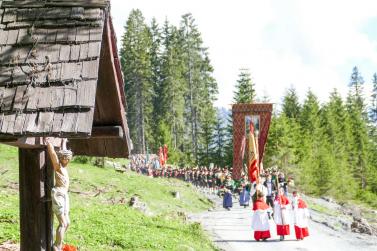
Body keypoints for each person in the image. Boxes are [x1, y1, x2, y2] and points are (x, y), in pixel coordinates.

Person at [44, 138, 73, 251]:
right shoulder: (59, 167)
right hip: (59, 194)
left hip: (64, 195)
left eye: (68, 158)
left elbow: (62, 151)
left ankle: (59, 241)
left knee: (68, 223)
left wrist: (63, 142)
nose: (67, 159)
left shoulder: (64, 168)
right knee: (63, 223)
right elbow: (54, 156)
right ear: (62, 159)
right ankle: (57, 246)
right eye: (66, 158)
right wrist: (49, 144)